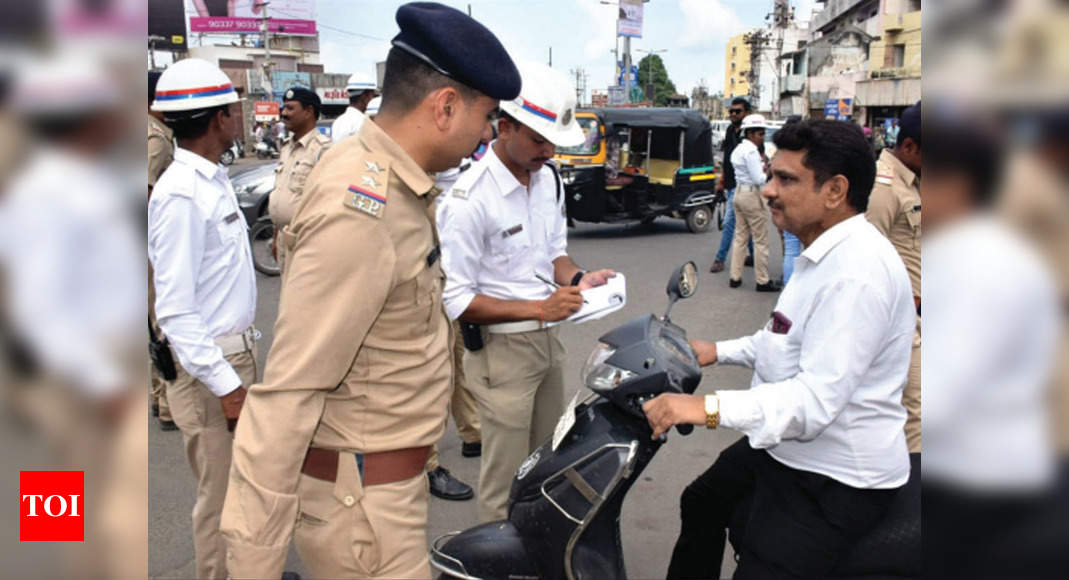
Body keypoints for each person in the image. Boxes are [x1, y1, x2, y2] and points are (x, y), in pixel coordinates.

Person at [219, 3, 520, 578]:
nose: (487, 134)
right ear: (445, 105)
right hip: (363, 515)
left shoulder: (395, 184)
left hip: (380, 495)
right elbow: (287, 395)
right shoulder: (363, 211)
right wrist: (255, 562)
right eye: (486, 117)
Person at [643, 120, 914, 579]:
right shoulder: (819, 253)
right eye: (770, 175)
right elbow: (781, 337)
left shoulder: (856, 274)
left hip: (834, 477)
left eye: (786, 179)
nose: (769, 191)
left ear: (835, 191)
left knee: (764, 563)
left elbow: (813, 402)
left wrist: (703, 408)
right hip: (790, 450)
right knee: (703, 500)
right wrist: (715, 350)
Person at [438, 61, 617, 523]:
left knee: (547, 460)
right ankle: (494, 563)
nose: (548, 151)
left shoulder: (548, 180)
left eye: (553, 142)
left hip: (548, 341)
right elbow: (456, 300)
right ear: (505, 126)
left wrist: (580, 280)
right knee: (504, 480)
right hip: (502, 353)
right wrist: (541, 307)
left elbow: (554, 256)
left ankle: (533, 554)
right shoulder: (469, 199)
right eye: (538, 139)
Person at [148, 58, 258, 580]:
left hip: (231, 357)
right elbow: (175, 310)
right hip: (211, 368)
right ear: (218, 119)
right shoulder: (179, 194)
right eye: (233, 107)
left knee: (240, 487)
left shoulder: (209, 180)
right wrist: (227, 386)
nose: (238, 114)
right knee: (219, 499)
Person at [866, 101, 922, 452]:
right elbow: (868, 258)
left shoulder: (915, 181)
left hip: (922, 315)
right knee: (917, 412)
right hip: (903, 320)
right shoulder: (883, 187)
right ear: (910, 147)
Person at [269, 86, 332, 272]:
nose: (284, 113)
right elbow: (280, 192)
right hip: (283, 237)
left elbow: (329, 200)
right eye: (284, 107)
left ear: (308, 112)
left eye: (290, 108)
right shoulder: (286, 148)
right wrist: (275, 236)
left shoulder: (323, 149)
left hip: (306, 239)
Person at [147, 70, 177, 431]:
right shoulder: (155, 138)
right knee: (162, 320)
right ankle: (167, 402)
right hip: (151, 240)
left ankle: (160, 397)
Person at [728, 113, 779, 292]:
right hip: (751, 195)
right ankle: (762, 281)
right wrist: (770, 171)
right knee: (760, 240)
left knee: (740, 237)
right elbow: (759, 179)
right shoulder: (750, 151)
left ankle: (735, 277)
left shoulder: (738, 149)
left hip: (739, 192)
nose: (762, 137)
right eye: (760, 133)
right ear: (750, 133)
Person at [710, 97, 753, 273]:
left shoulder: (751, 133)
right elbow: (727, 159)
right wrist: (721, 182)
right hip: (730, 184)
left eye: (738, 111)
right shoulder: (729, 130)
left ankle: (720, 259)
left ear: (747, 113)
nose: (733, 114)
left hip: (745, 185)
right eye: (731, 111)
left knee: (729, 222)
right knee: (744, 222)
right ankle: (754, 255)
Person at [331, 71, 378, 142]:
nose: (373, 100)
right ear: (365, 97)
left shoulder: (338, 122)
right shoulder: (364, 123)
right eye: (373, 96)